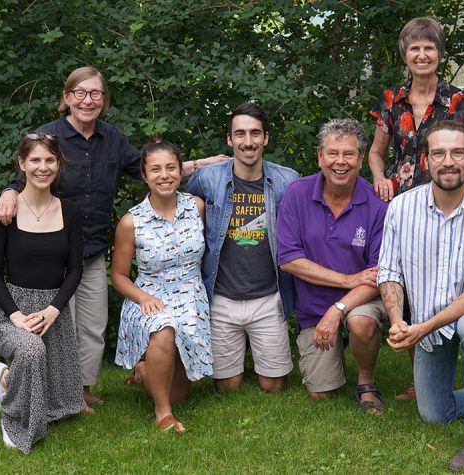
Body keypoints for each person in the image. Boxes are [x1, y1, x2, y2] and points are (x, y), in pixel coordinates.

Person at [0, 67, 226, 409]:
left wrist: (201, 164)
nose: (88, 100)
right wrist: (9, 192)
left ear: (104, 101)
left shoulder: (113, 139)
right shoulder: (49, 136)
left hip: (91, 253)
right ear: (67, 98)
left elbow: (149, 168)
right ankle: (30, 385)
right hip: (52, 252)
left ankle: (82, 391)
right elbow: (28, 173)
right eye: (81, 93)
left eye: (96, 94)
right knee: (57, 328)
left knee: (92, 327)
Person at [378, 121, 464, 471]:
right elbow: (388, 272)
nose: (448, 161)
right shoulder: (401, 209)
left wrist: (423, 328)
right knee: (434, 415)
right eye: (439, 153)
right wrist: (399, 322)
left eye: (458, 153)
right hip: (425, 322)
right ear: (425, 161)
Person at [368, 16, 464, 400]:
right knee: (410, 285)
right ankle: (421, 378)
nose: (422, 54)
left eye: (429, 47)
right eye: (415, 47)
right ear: (405, 54)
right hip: (402, 206)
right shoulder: (390, 99)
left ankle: (446, 369)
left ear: (439, 54)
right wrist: (381, 177)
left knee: (440, 285)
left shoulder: (457, 101)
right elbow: (375, 153)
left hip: (444, 202)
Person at [277, 118, 389, 414]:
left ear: (361, 159)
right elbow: (288, 259)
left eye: (349, 154)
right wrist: (346, 280)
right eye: (333, 153)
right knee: (320, 393)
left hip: (359, 301)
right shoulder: (297, 194)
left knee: (360, 323)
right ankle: (333, 353)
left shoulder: (378, 205)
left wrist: (338, 309)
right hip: (315, 309)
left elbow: (378, 275)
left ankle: (366, 382)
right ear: (320, 156)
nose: (340, 162)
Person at [185, 103, 298, 392]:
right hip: (221, 296)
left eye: (255, 134)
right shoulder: (207, 179)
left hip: (268, 296)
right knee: (227, 386)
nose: (248, 142)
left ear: (266, 138)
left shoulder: (288, 181)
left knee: (273, 385)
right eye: (240, 134)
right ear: (229, 139)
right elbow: (179, 215)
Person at [0, 132, 83, 453]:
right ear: (22, 163)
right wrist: (16, 316)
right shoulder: (5, 212)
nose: (43, 167)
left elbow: (76, 270)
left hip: (53, 310)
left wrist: (53, 310)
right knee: (31, 351)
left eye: (50, 160)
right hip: (11, 310)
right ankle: (13, 418)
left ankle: (6, 380)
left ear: (59, 164)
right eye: (35, 160)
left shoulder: (70, 212)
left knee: (64, 404)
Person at [111, 139, 212, 433]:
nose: (164, 175)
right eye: (155, 169)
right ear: (144, 175)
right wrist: (142, 297)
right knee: (164, 327)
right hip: (149, 297)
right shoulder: (131, 222)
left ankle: (144, 369)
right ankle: (163, 414)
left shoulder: (197, 207)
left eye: (170, 167)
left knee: (179, 391)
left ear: (181, 171)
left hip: (191, 298)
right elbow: (118, 276)